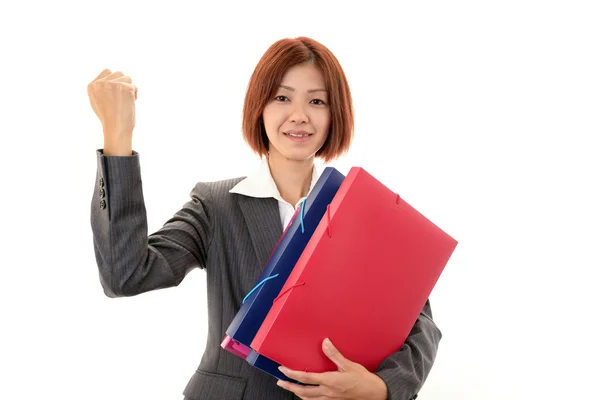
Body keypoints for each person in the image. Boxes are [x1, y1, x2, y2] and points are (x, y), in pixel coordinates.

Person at [87, 36, 441, 400]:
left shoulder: (364, 211)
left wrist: (382, 388)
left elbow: (419, 324)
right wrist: (118, 137)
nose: (299, 115)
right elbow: (125, 275)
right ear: (259, 107)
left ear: (336, 115)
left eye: (317, 101)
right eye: (282, 97)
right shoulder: (216, 205)